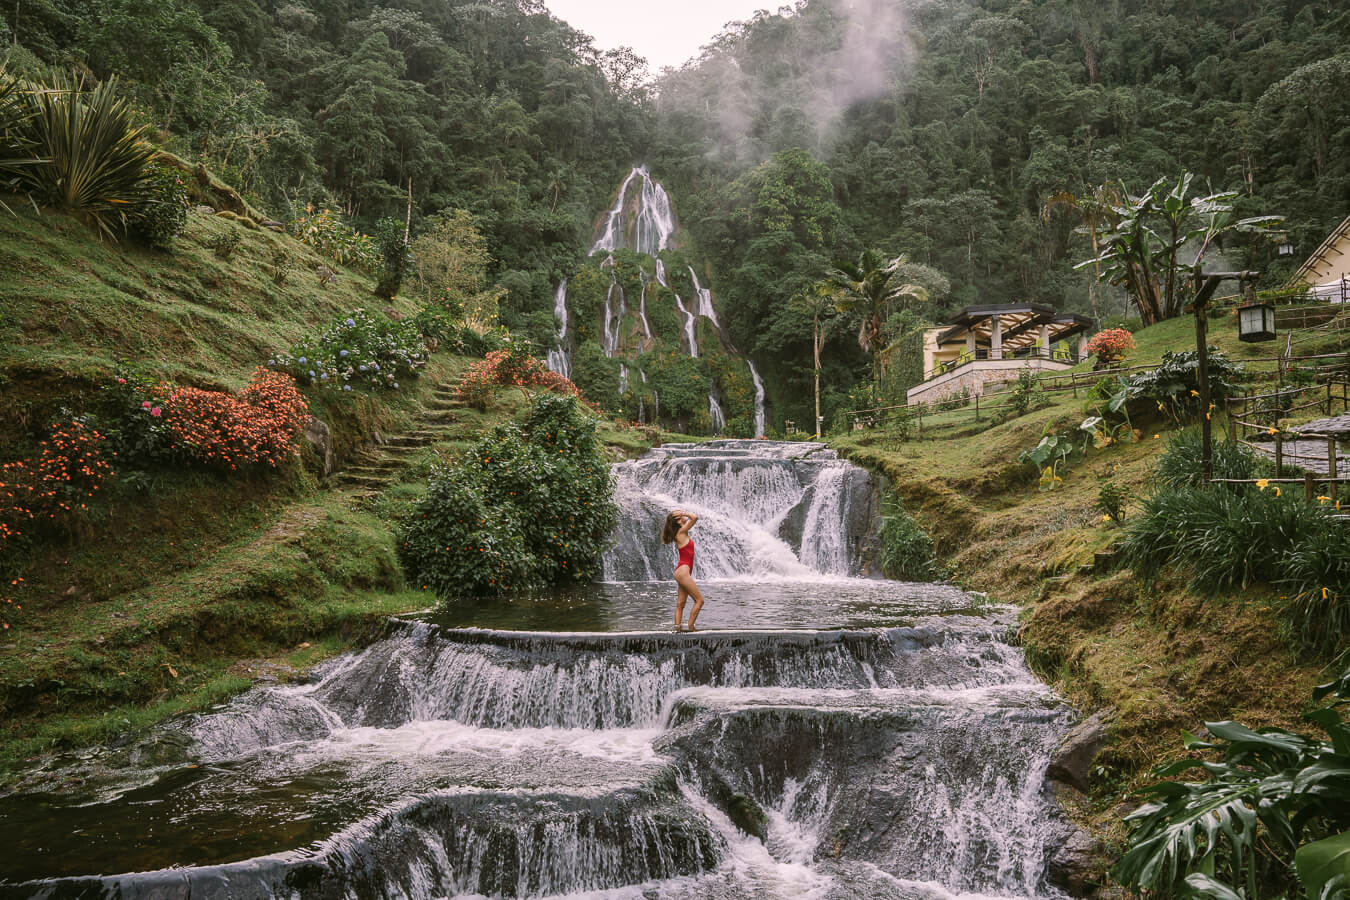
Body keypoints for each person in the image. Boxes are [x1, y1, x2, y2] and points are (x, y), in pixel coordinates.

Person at [660, 508, 705, 631]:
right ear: (678, 522)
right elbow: (694, 517)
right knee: (700, 600)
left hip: (682, 571)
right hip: (683, 572)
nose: (683, 518)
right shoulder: (681, 532)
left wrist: (680, 516)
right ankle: (691, 628)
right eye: (680, 518)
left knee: (681, 604)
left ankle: (677, 629)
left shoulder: (681, 532)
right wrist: (684, 513)